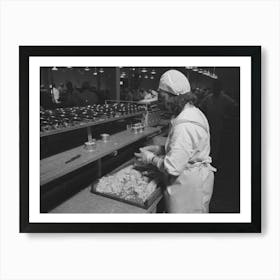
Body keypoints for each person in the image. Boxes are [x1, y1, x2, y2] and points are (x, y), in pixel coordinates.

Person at [135, 70, 216, 213]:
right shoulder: (192, 111)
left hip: (188, 188)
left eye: (162, 97)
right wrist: (160, 149)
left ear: (173, 97)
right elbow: (188, 149)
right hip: (194, 180)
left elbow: (173, 167)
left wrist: (151, 158)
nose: (161, 103)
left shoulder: (184, 125)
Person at [199, 80, 239, 166]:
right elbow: (200, 107)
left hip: (219, 124)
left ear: (220, 88)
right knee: (207, 141)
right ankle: (207, 158)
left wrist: (227, 115)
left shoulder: (224, 98)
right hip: (208, 124)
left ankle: (214, 162)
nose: (215, 89)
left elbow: (235, 106)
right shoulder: (208, 97)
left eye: (217, 87)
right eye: (214, 87)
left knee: (216, 143)